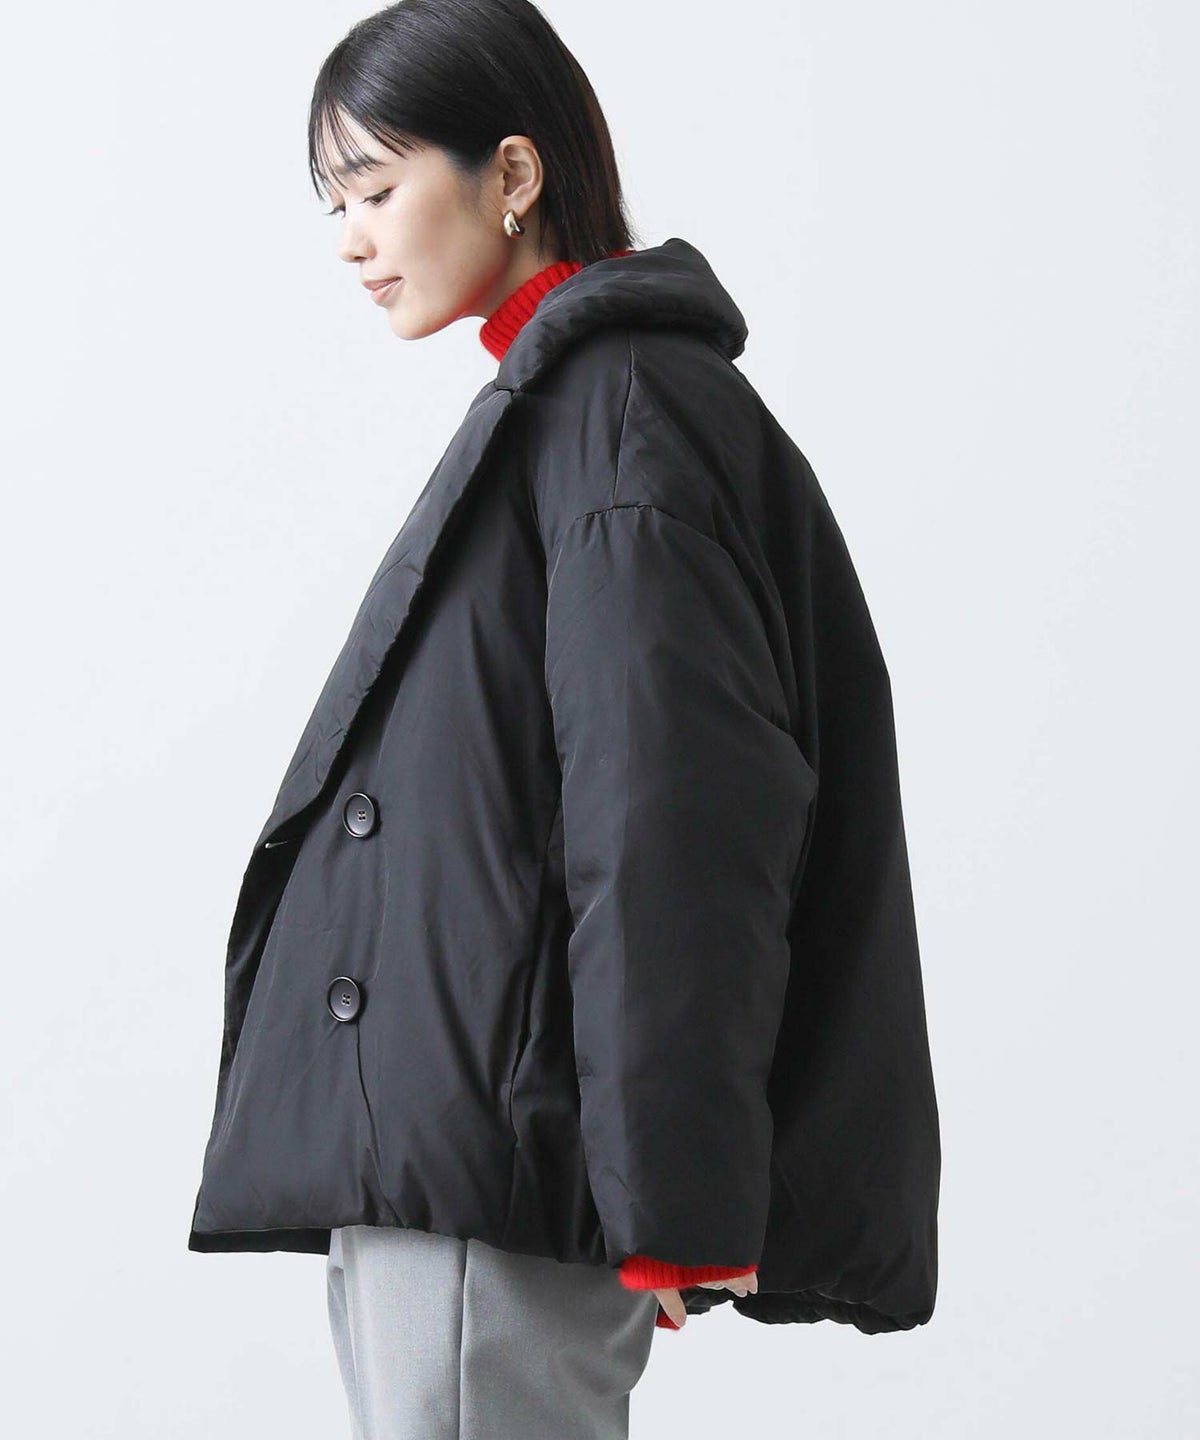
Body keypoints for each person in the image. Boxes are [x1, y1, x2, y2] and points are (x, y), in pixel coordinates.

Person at [187, 1, 941, 1436]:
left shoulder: (616, 414)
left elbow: (672, 817)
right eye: (335, 202)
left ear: (513, 175)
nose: (350, 238)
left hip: (497, 1175)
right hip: (465, 1159)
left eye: (375, 187)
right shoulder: (577, 409)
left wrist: (672, 1199)